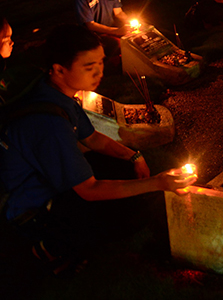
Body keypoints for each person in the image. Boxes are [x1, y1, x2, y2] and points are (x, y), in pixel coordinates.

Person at [0, 25, 196, 275]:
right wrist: (158, 183)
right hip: (33, 207)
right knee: (130, 216)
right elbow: (90, 191)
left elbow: (92, 138)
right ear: (59, 69)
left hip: (50, 181)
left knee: (126, 172)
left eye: (101, 63)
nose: (99, 73)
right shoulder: (50, 123)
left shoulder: (58, 93)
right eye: (89, 67)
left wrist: (134, 156)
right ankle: (47, 248)